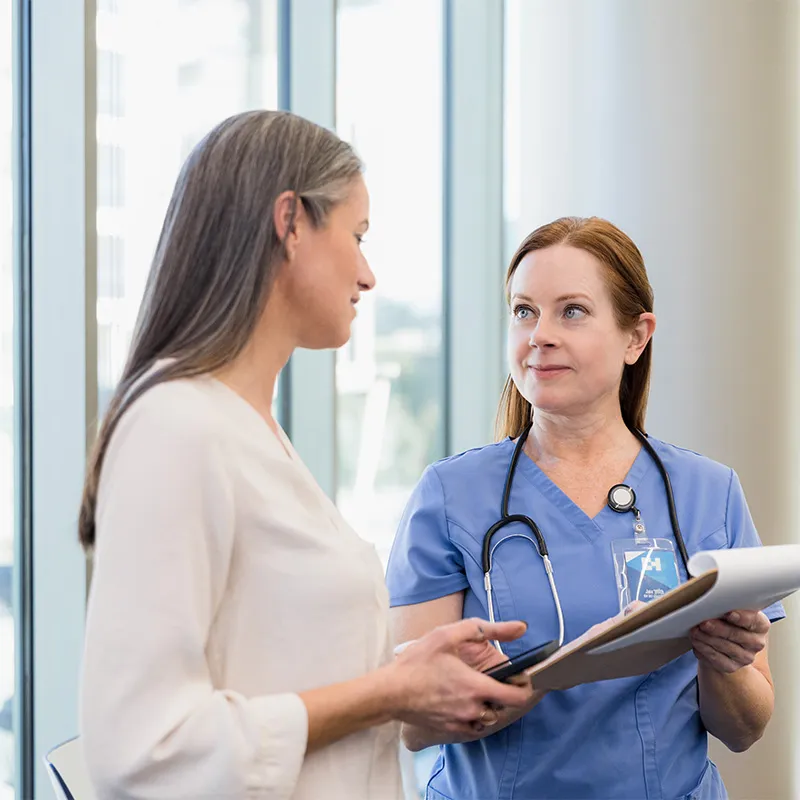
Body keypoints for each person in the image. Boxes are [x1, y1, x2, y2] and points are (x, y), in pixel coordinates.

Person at [77, 110, 534, 800]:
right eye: (357, 235)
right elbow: (141, 747)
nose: (368, 274)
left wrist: (409, 669)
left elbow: (268, 659)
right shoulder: (176, 427)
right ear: (290, 222)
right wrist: (391, 691)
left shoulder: (250, 428)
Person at [386, 216, 783, 800]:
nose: (539, 335)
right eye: (524, 311)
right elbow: (413, 727)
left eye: (571, 311)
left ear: (636, 337)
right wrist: (523, 684)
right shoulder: (450, 495)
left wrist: (722, 661)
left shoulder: (708, 492)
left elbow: (745, 729)